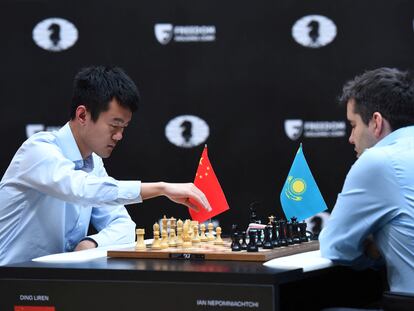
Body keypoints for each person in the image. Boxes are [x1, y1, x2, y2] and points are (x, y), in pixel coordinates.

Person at [0, 66, 211, 265]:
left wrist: (92, 243)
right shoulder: (38, 150)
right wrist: (161, 188)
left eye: (124, 127)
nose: (119, 136)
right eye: (114, 125)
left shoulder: (94, 163)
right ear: (82, 115)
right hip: (10, 285)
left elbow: (124, 226)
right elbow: (80, 189)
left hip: (55, 285)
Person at [319, 67, 414, 295]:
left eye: (353, 125)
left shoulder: (379, 161)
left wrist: (373, 250)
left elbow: (335, 247)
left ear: (376, 122)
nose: (351, 138)